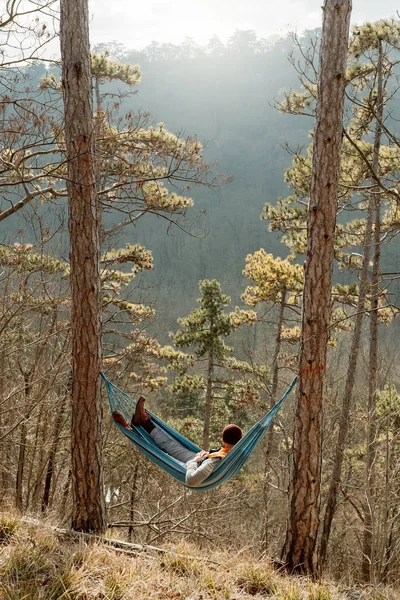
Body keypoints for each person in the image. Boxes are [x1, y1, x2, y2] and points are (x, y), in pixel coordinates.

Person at [112, 398, 242, 487]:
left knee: (159, 453)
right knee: (169, 444)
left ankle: (128, 428)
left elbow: (191, 480)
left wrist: (194, 462)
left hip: (189, 467)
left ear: (224, 439)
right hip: (200, 459)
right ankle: (145, 422)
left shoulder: (216, 460)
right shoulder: (234, 452)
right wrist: (205, 455)